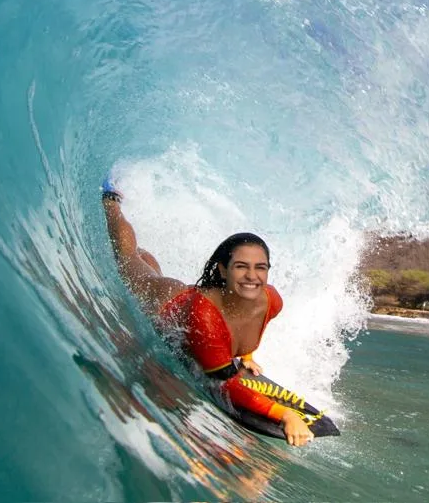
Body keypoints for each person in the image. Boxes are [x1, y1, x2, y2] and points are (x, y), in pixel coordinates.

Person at [101, 176, 314, 447]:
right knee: (129, 259)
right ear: (223, 270)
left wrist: (247, 354)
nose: (252, 276)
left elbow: (248, 321)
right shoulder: (205, 317)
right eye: (241, 266)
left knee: (150, 267)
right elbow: (224, 384)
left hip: (189, 302)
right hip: (166, 304)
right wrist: (285, 415)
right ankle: (111, 201)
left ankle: (145, 253)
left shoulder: (271, 300)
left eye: (260, 267)